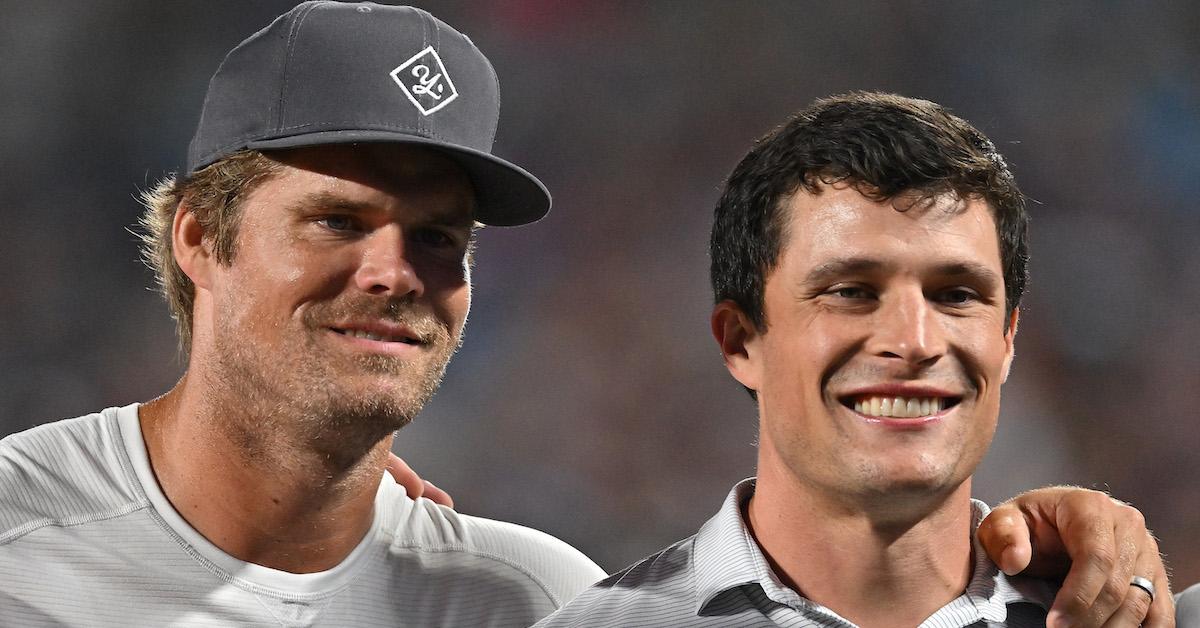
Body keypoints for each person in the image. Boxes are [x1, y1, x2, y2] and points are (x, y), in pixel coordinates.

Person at [0, 4, 1171, 628]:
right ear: (198, 239)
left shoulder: (529, 599)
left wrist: (1046, 544)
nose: (395, 268)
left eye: (439, 236)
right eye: (336, 220)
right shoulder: (21, 538)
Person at [534, 92, 1175, 628]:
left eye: (956, 295)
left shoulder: (1119, 614)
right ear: (740, 342)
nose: (915, 340)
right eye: (850, 292)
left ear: (1007, 340)